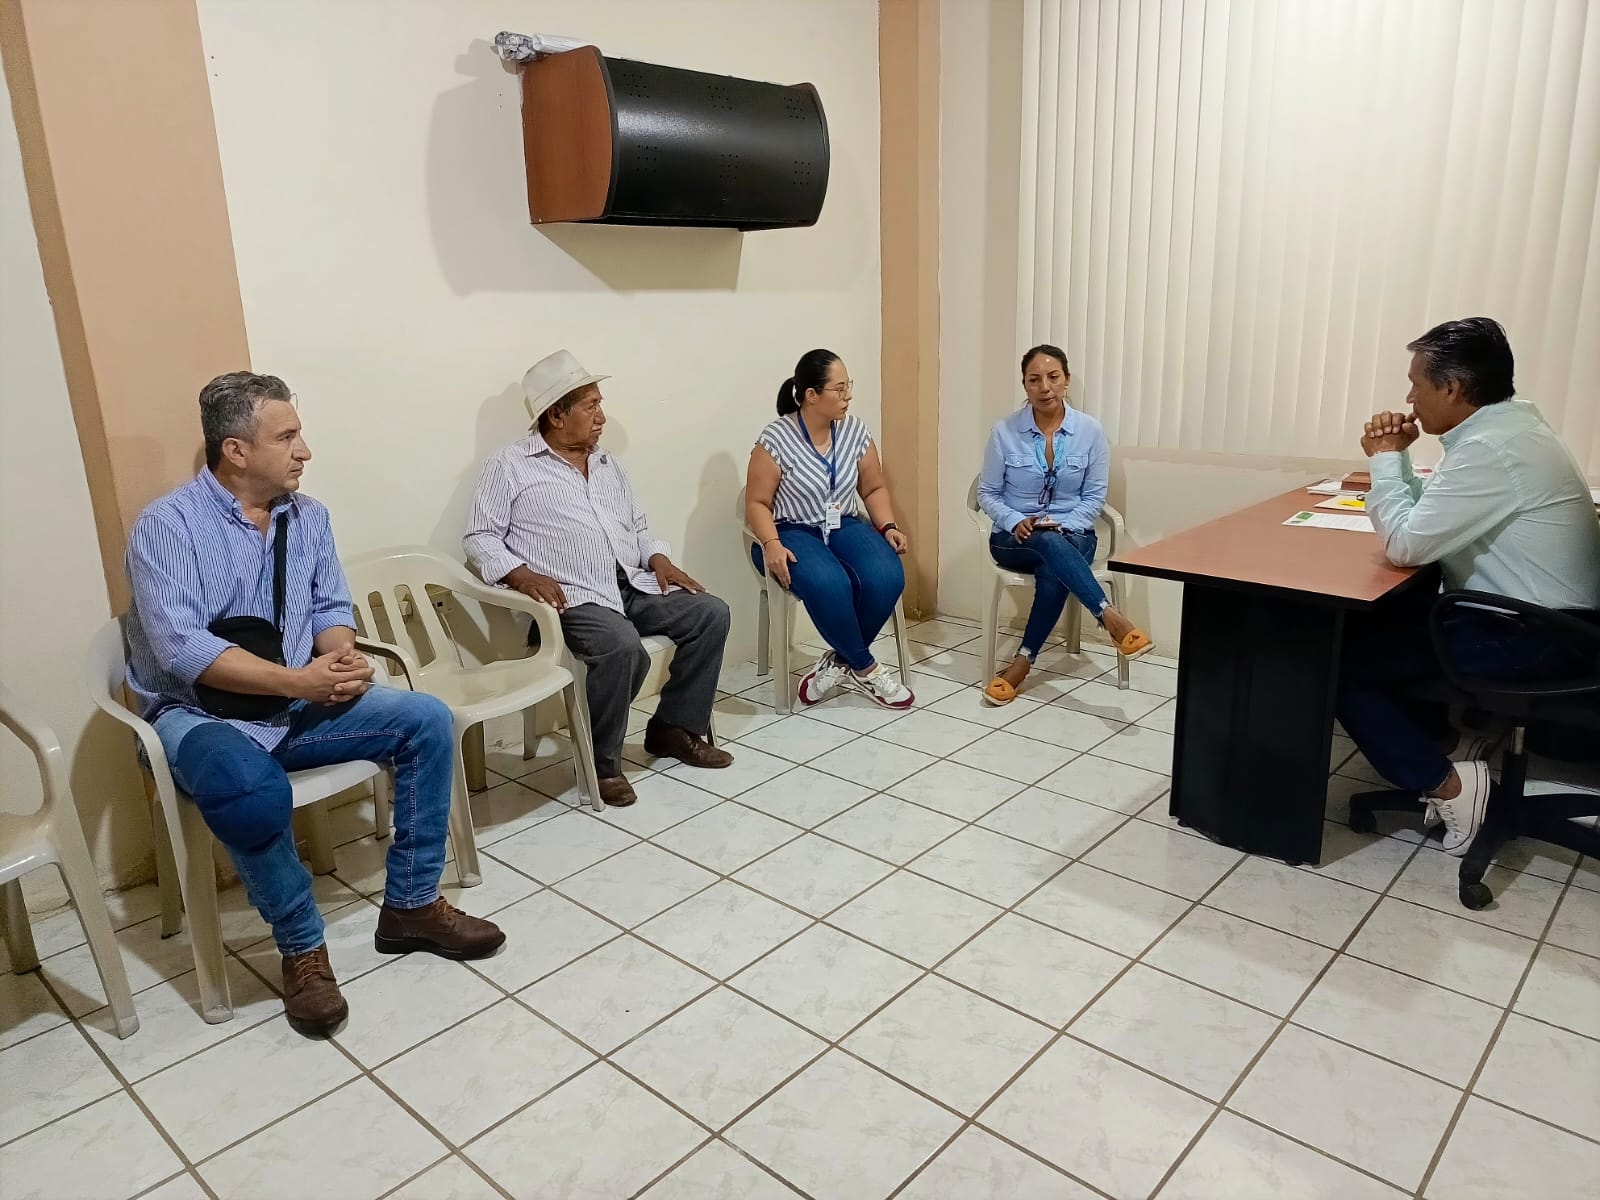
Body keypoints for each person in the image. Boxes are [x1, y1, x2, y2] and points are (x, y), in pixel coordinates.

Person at [125, 372, 505, 1039]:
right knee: (247, 791)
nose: (305, 450)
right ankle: (302, 948)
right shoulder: (166, 527)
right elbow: (182, 650)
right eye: (288, 436)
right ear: (236, 450)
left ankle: (411, 906)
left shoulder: (308, 517)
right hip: (200, 715)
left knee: (426, 720)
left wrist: (342, 658)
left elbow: (329, 606)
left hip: (294, 699)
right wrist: (298, 683)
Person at [1340, 317, 1600, 854]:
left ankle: (1451, 787)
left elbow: (1406, 544)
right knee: (1381, 627)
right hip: (1552, 622)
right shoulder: (1507, 432)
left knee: (1339, 665)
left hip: (1539, 637)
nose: (1409, 398)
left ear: (1453, 388)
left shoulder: (1492, 450)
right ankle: (1451, 745)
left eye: (1416, 384)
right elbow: (1430, 520)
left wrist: (1384, 458)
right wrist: (1400, 457)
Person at [464, 350, 733, 808]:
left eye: (599, 404)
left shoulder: (608, 464)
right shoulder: (509, 465)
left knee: (711, 613)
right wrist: (520, 574)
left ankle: (673, 729)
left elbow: (639, 526)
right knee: (622, 648)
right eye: (591, 406)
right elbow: (479, 536)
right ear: (556, 414)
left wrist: (658, 558)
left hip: (627, 584)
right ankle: (602, 763)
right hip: (571, 597)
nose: (602, 417)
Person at [976, 344, 1153, 704]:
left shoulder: (1090, 431)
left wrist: (1066, 525)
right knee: (1045, 542)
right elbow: (987, 493)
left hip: (1074, 534)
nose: (1045, 387)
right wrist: (1014, 520)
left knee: (1052, 562)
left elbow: (1095, 496)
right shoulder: (1004, 431)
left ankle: (1022, 662)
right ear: (1025, 386)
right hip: (1014, 539)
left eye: (1053, 377)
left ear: (1066, 380)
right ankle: (1108, 616)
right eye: (1034, 380)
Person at [745, 349, 914, 709]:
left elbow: (873, 488)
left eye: (848, 386)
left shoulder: (855, 431)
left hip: (842, 524)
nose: (848, 395)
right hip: (789, 531)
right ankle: (866, 669)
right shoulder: (776, 438)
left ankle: (840, 661)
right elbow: (757, 503)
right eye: (839, 389)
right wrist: (771, 543)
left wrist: (887, 525)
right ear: (811, 395)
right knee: (831, 583)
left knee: (887, 575)